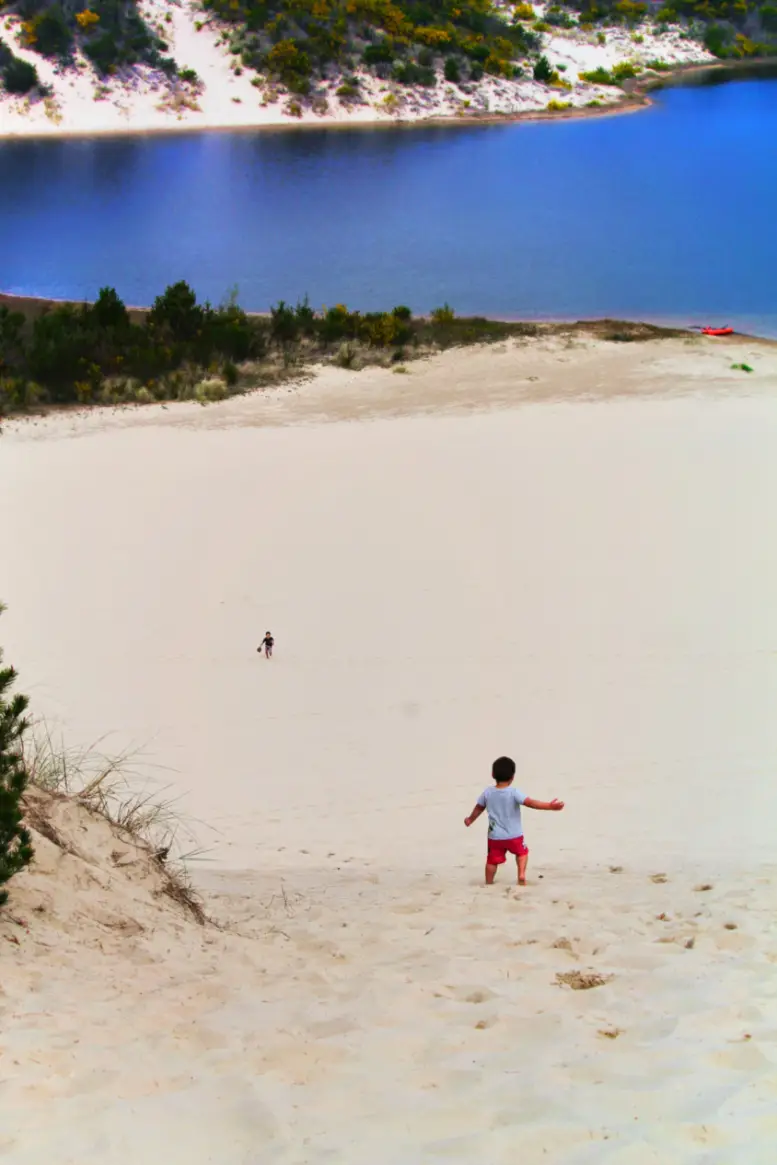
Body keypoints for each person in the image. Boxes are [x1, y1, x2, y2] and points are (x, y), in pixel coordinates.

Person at [464, 756, 564, 885]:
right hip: (514, 835)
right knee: (522, 853)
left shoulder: (487, 793)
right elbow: (531, 803)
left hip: (495, 837)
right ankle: (521, 874)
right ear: (512, 777)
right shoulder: (514, 792)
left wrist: (470, 819)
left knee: (492, 861)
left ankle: (489, 882)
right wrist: (550, 806)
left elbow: (479, 808)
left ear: (493, 774)